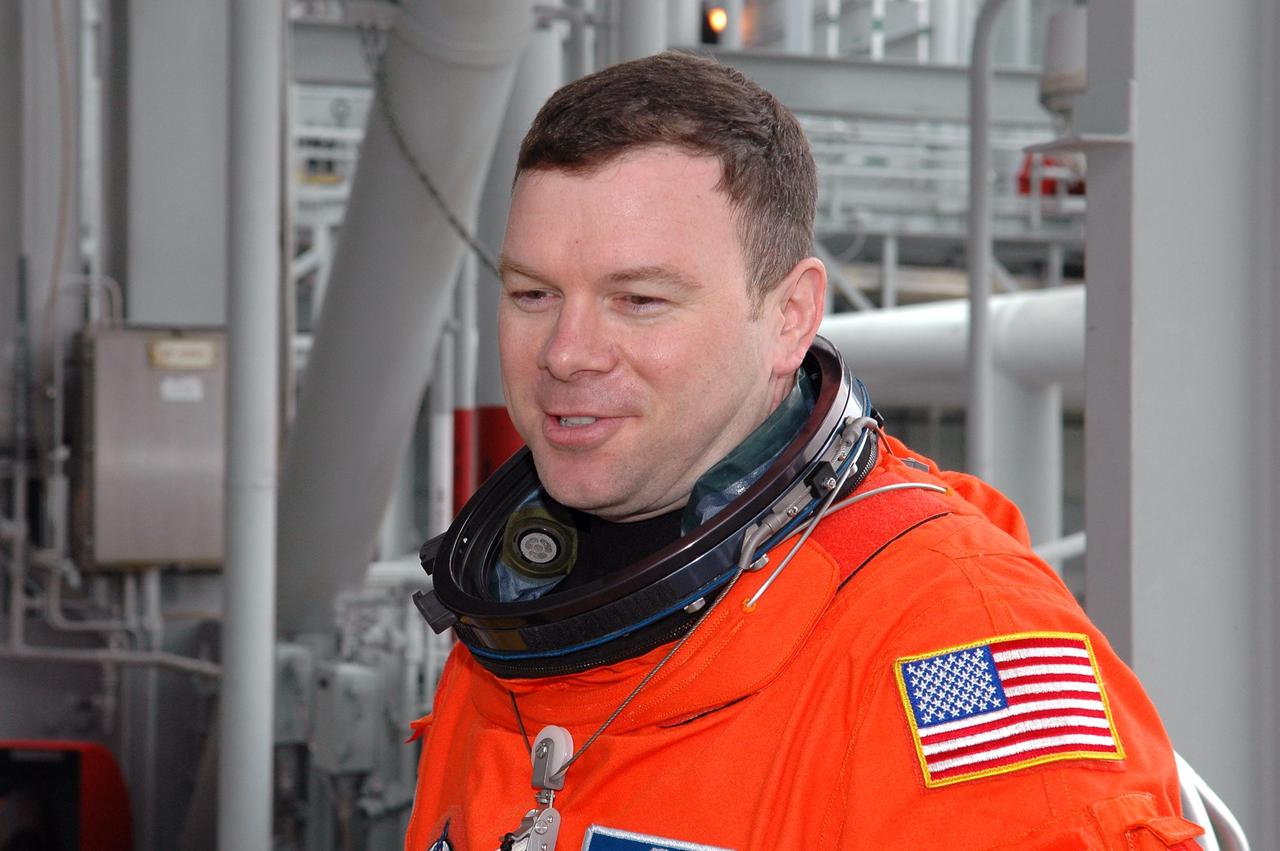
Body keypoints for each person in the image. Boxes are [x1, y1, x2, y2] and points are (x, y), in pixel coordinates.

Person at [405, 52, 1202, 851]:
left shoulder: (954, 644)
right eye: (532, 294)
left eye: (639, 300)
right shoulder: (518, 617)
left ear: (790, 316)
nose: (567, 352)